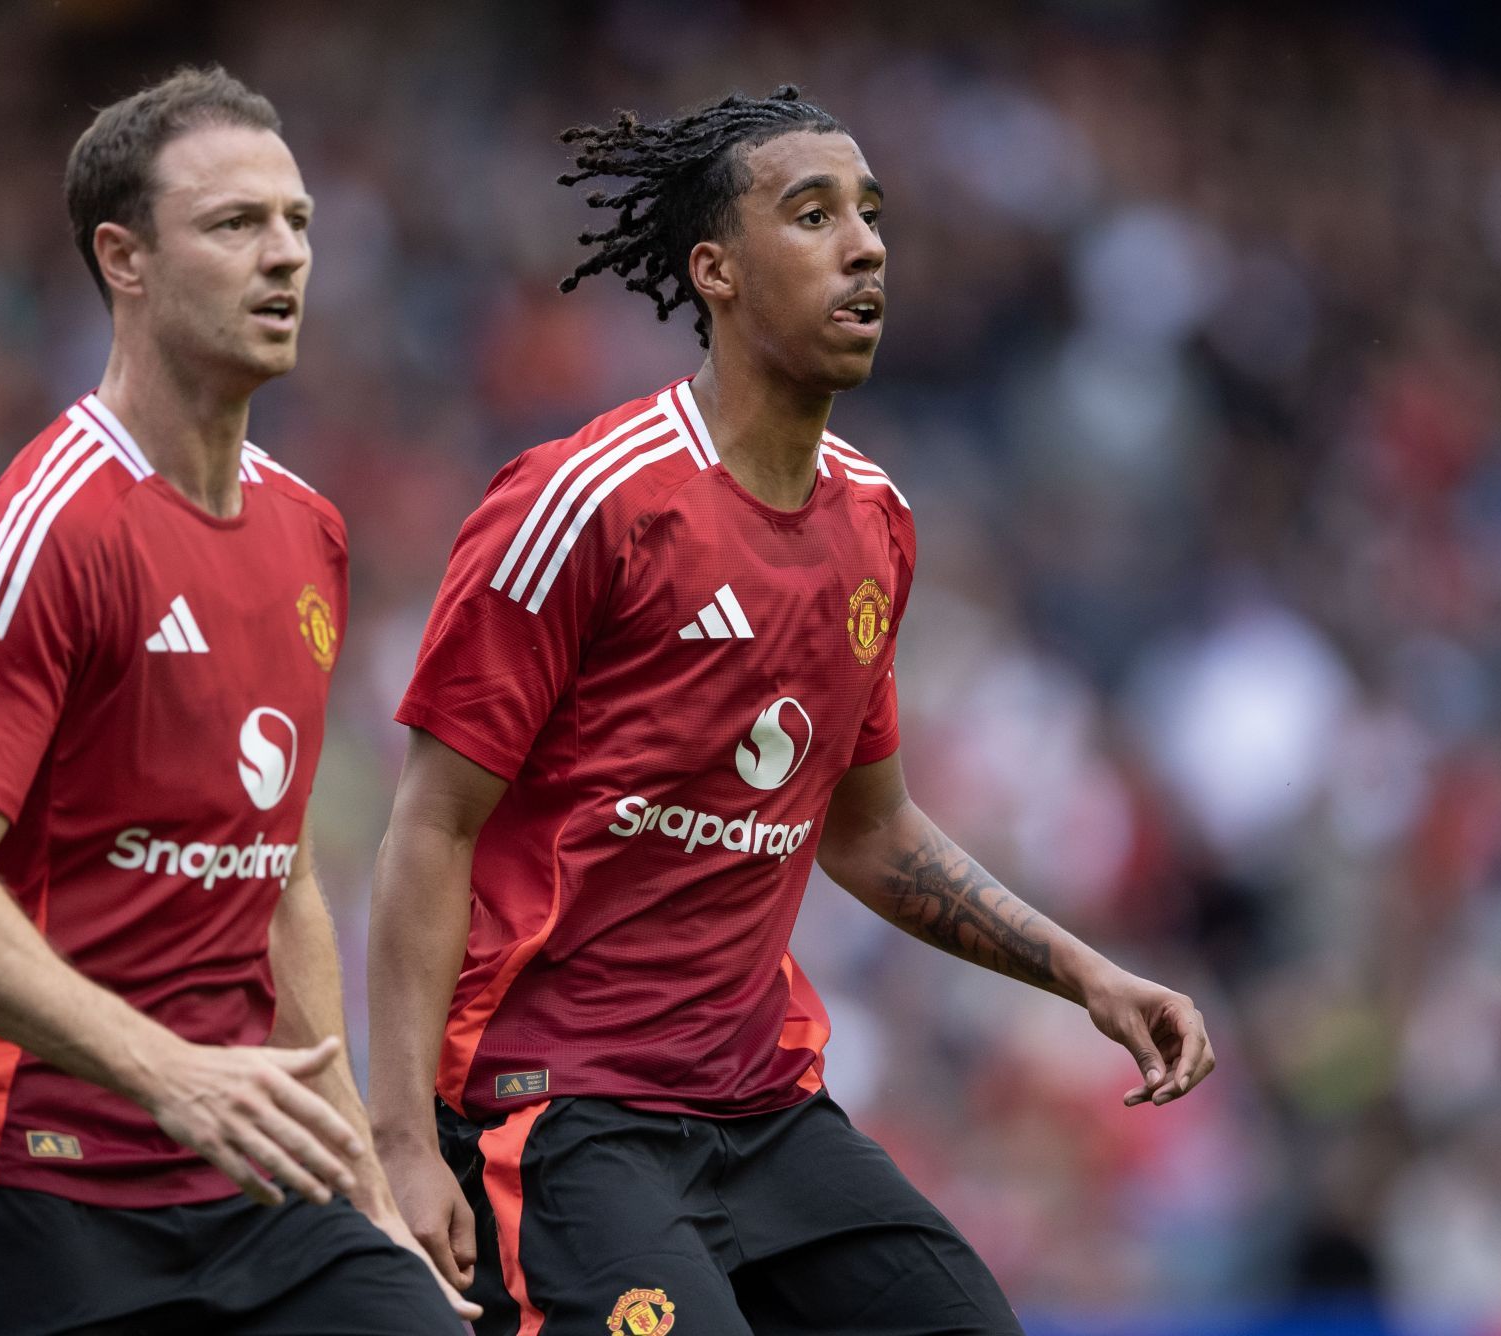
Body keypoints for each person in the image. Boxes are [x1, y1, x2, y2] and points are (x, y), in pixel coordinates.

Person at [368, 86, 1216, 1336]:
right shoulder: (585, 502)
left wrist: (1082, 971)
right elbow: (430, 828)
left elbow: (866, 827)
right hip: (559, 1112)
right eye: (811, 215)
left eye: (869, 216)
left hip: (760, 1111)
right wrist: (399, 1141)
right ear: (713, 272)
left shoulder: (874, 521)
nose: (864, 245)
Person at [0, 65, 473, 1335]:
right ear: (123, 259)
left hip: (249, 1185)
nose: (286, 255)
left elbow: (275, 866)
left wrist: (354, 1157)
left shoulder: (308, 529)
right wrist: (167, 1072)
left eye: (298, 222)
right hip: (19, 1181)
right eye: (236, 225)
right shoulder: (53, 528)